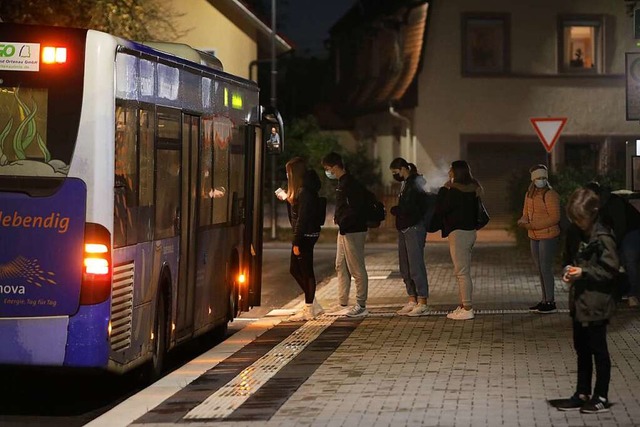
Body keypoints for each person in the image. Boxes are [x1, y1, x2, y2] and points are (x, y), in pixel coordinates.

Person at [553, 188, 618, 414]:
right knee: (581, 349)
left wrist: (585, 272)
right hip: (579, 301)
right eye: (574, 218)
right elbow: (567, 259)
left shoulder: (603, 237)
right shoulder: (574, 232)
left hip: (597, 303)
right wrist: (568, 270)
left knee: (598, 350)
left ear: (593, 214)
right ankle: (582, 392)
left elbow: (610, 270)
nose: (578, 223)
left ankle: (600, 395)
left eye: (580, 219)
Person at [321, 152, 369, 318]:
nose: (328, 172)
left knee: (356, 268)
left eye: (328, 169)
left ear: (334, 166)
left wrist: (344, 220)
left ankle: (361, 305)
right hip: (345, 229)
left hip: (353, 230)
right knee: (340, 265)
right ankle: (342, 303)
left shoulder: (350, 183)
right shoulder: (343, 182)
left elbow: (355, 208)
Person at [434, 160, 482, 320]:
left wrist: (444, 189)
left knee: (462, 272)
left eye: (451, 170)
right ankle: (463, 305)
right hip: (469, 232)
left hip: (459, 233)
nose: (448, 172)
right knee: (463, 270)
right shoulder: (473, 189)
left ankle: (467, 307)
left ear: (456, 172)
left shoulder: (453, 192)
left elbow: (441, 208)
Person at [280, 157, 324, 321]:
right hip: (305, 234)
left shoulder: (305, 192)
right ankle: (312, 303)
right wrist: (287, 199)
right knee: (296, 269)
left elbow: (302, 219)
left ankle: (310, 308)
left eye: (288, 171)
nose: (286, 174)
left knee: (306, 270)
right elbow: (297, 213)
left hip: (305, 235)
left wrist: (296, 242)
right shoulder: (302, 191)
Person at [585, 181, 640, 307]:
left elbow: (621, 226)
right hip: (617, 234)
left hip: (632, 229)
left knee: (629, 258)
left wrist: (614, 245)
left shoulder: (614, 202)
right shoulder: (595, 206)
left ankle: (633, 295)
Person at [389, 157, 430, 316]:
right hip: (404, 227)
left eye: (396, 172)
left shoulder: (416, 184)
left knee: (415, 265)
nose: (395, 175)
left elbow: (413, 207)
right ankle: (412, 299)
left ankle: (422, 301)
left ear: (404, 168)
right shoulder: (405, 184)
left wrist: (398, 210)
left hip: (413, 227)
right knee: (405, 266)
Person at [517, 164, 561, 314]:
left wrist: (533, 225)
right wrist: (523, 221)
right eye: (538, 178)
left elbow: (555, 217)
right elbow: (525, 212)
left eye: (543, 178)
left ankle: (550, 301)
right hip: (534, 237)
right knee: (540, 269)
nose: (540, 180)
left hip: (548, 235)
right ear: (533, 179)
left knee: (546, 268)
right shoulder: (529, 194)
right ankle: (544, 300)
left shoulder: (550, 194)